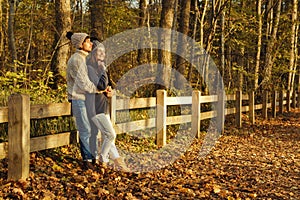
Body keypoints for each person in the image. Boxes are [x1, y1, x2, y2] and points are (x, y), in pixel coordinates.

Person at [85, 40, 129, 172]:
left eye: (104, 51)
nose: (102, 53)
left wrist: (110, 92)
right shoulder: (90, 68)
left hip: (103, 106)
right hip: (95, 107)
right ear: (93, 53)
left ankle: (118, 162)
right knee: (111, 134)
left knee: (107, 135)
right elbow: (101, 85)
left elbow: (108, 86)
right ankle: (103, 159)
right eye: (99, 51)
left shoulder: (100, 68)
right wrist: (104, 71)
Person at [66, 31, 99, 170]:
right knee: (85, 129)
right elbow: (83, 83)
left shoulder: (87, 58)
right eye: (88, 41)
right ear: (80, 44)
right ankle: (87, 160)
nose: (91, 43)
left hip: (89, 98)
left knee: (94, 128)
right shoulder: (76, 60)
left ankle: (94, 158)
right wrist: (99, 90)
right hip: (78, 98)